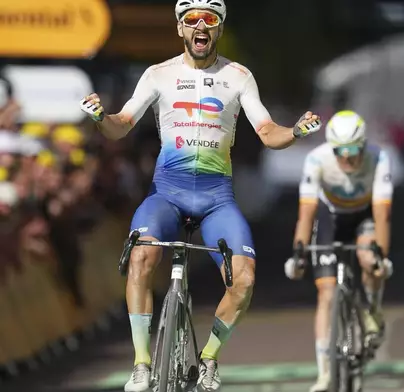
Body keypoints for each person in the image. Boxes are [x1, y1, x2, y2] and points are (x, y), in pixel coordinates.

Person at [79, 0, 322, 390]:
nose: (201, 26)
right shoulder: (158, 74)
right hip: (167, 194)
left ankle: (208, 358)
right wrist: (99, 118)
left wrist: (295, 132)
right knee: (141, 256)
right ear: (181, 29)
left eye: (210, 20)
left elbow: (267, 132)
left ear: (219, 30)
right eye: (192, 20)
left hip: (216, 200)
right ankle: (142, 362)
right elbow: (121, 125)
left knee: (243, 279)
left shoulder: (239, 76)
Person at [284, 110, 394, 392]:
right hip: (330, 217)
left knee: (369, 258)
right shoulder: (316, 159)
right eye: (340, 151)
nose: (347, 157)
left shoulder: (379, 158)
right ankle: (324, 373)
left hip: (365, 216)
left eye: (354, 150)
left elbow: (382, 216)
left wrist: (381, 256)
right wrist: (298, 253)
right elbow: (306, 214)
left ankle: (371, 308)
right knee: (327, 293)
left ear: (364, 144)